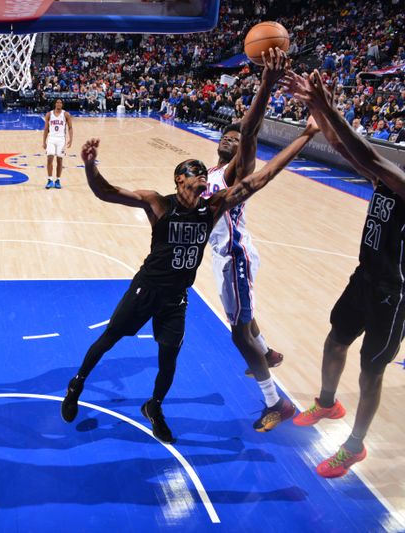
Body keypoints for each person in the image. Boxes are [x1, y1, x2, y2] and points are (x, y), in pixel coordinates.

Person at [61, 120, 319, 444]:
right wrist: (89, 166)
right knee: (110, 337)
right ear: (178, 180)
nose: (200, 178)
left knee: (168, 360)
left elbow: (263, 177)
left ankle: (154, 407)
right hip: (146, 289)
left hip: (176, 298)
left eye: (202, 173)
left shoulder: (212, 208)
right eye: (193, 173)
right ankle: (77, 384)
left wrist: (306, 136)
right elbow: (107, 192)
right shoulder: (158, 202)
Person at [283, 70, 405, 478]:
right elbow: (348, 150)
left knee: (371, 371)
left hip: (394, 293)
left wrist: (329, 106)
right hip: (365, 275)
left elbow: (367, 157)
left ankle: (354, 446)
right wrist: (317, 107)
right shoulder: (391, 179)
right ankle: (327, 402)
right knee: (335, 341)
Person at [201, 48, 291, 432]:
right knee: (241, 320)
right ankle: (267, 352)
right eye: (226, 134)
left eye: (236, 139)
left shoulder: (237, 172)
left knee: (238, 333)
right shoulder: (211, 172)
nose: (230, 138)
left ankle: (276, 402)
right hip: (225, 257)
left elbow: (250, 129)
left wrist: (265, 84)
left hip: (236, 254)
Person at [42, 99, 73, 190]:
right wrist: (44, 141)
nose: (59, 104)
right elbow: (46, 129)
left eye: (60, 103)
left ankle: (58, 180)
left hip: (61, 139)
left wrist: (71, 139)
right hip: (51, 138)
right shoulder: (49, 114)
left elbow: (70, 128)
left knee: (59, 160)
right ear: (55, 104)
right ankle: (50, 180)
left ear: (62, 104)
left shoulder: (66, 114)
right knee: (49, 159)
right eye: (57, 102)